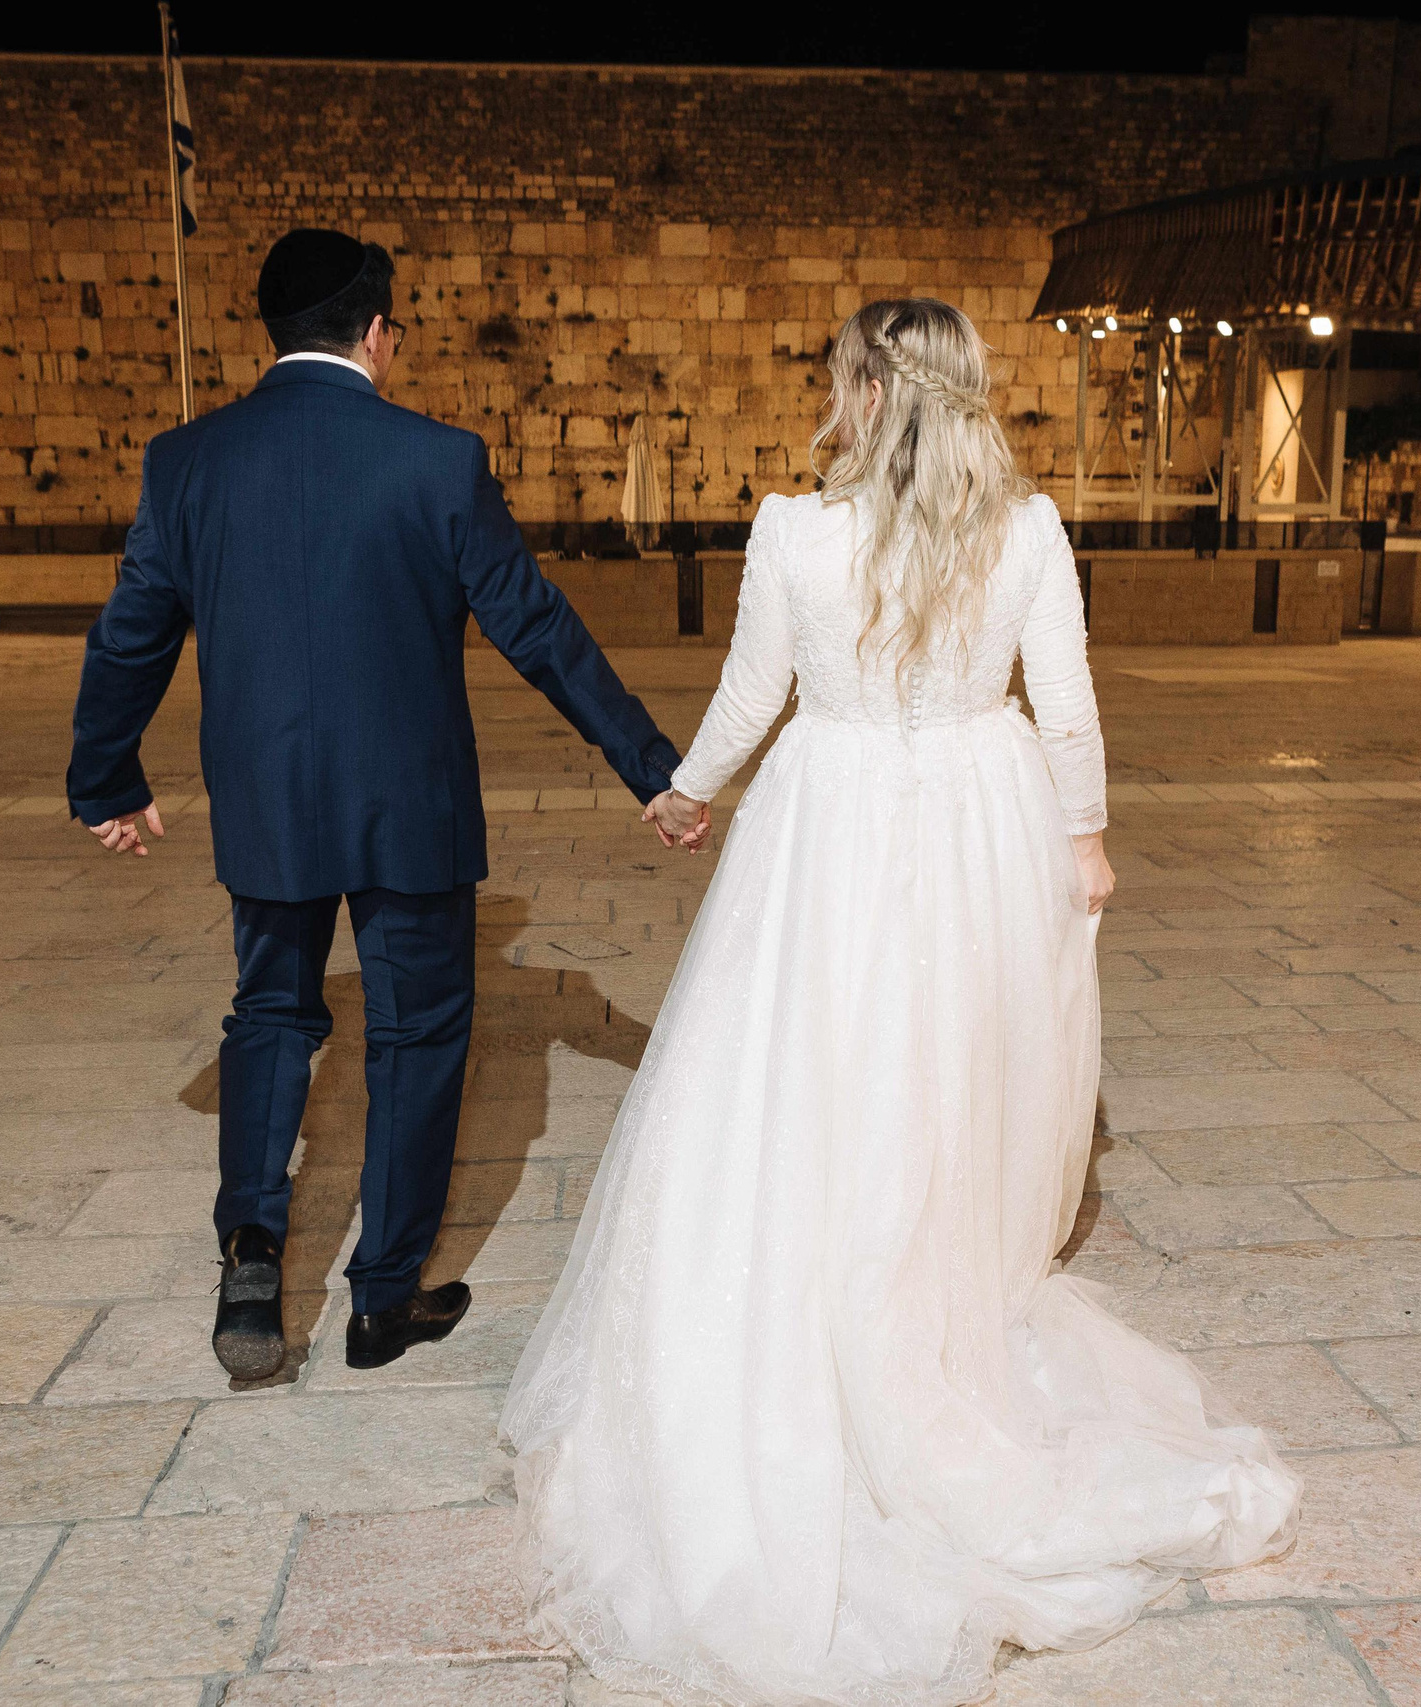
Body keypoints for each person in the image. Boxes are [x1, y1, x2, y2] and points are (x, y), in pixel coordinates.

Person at [502, 297, 1299, 1705]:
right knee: (952, 1061)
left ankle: (833, 1265)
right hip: (982, 815)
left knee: (820, 1053)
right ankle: (929, 1270)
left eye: (836, 374)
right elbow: (1065, 705)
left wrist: (689, 792)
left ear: (866, 390)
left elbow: (757, 692)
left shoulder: (795, 530)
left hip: (833, 815)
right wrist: (1084, 835)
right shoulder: (1030, 528)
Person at [65, 228, 693, 1381]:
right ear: (377, 333)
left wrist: (106, 776)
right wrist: (647, 766)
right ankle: (380, 1301)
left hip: (267, 801)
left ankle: (253, 1253)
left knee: (269, 1013)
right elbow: (535, 628)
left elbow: (133, 631)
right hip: (410, 806)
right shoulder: (436, 460)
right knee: (414, 1033)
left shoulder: (187, 461)